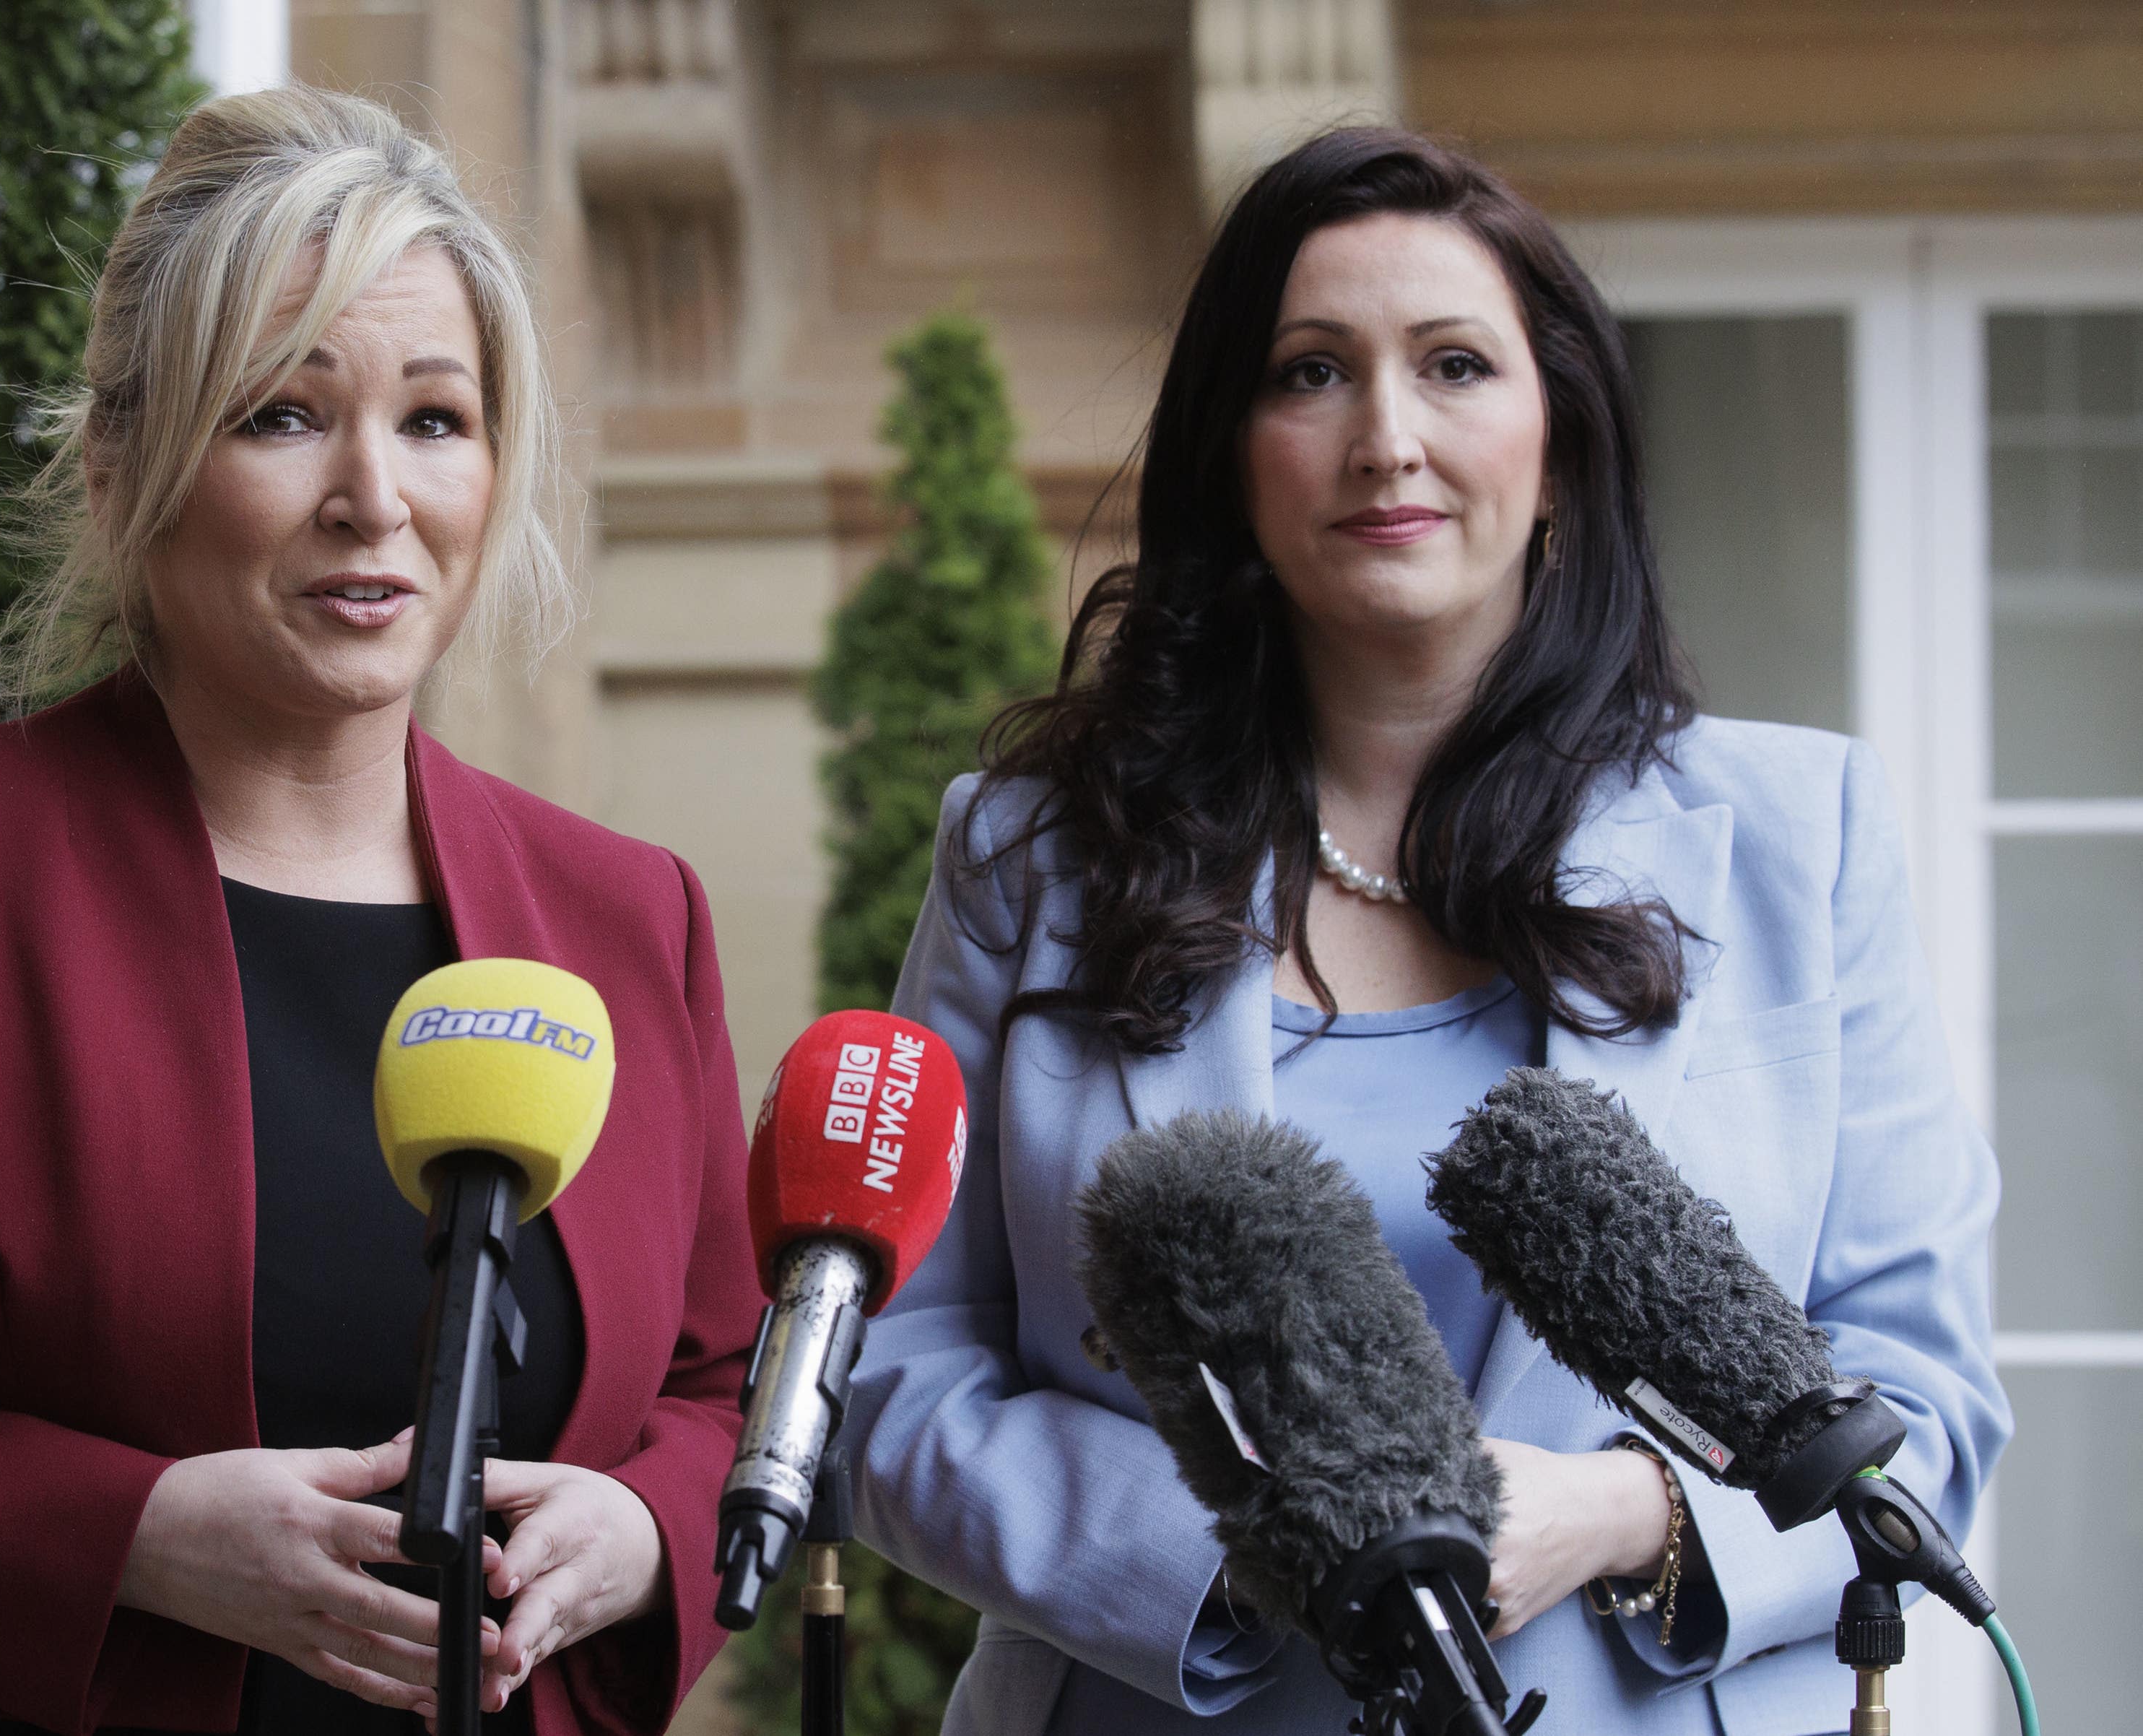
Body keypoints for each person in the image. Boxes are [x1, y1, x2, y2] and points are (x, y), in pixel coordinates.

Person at [0, 87, 759, 1736]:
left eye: (437, 418)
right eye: (284, 414)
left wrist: (649, 1530)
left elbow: (720, 1389)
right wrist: (131, 1537)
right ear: (126, 459)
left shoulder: (630, 914)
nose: (376, 496)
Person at [843, 129, 2010, 1736]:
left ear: (1564, 448)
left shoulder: (1799, 842)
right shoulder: (1032, 856)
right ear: (1233, 452)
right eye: (1311, 373)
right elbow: (895, 1369)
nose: (1386, 437)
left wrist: (1630, 1512)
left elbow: (1925, 1396)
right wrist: (1280, 1539)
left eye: (1455, 365)